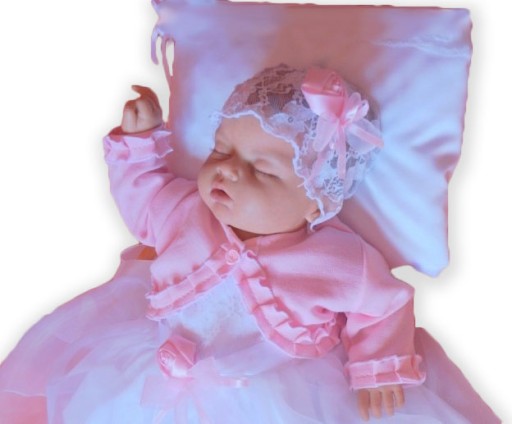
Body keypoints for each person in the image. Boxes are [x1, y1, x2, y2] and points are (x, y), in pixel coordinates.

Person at [0, 64, 500, 423]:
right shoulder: (185, 212)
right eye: (221, 151)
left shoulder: (336, 259)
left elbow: (384, 306)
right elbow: (144, 197)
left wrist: (377, 366)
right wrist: (139, 142)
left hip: (276, 390)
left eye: (262, 171)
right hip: (152, 369)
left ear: (316, 204)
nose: (228, 171)